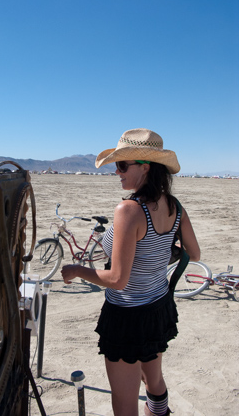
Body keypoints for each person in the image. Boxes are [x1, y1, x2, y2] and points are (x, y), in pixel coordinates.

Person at [61, 128, 200, 416]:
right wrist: (159, 253)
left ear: (145, 168)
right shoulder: (175, 206)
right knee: (155, 382)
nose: (117, 172)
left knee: (124, 404)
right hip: (157, 308)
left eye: (122, 165)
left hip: (127, 316)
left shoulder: (128, 210)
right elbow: (194, 254)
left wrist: (77, 270)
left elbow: (117, 280)